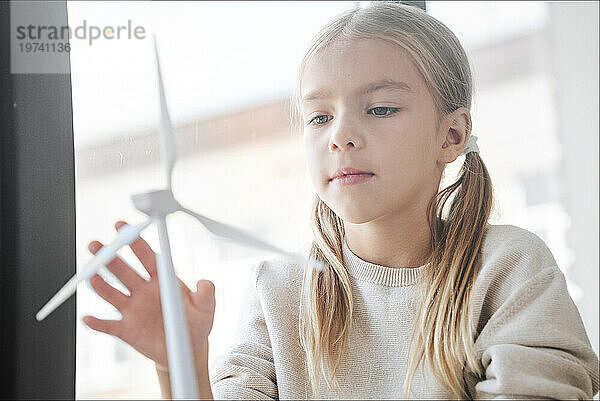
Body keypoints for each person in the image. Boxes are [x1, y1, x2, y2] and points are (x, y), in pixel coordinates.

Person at [82, 2, 600, 399]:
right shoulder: (277, 292)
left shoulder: (509, 269)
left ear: (452, 136)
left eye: (380, 109)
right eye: (320, 117)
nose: (341, 137)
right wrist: (183, 365)